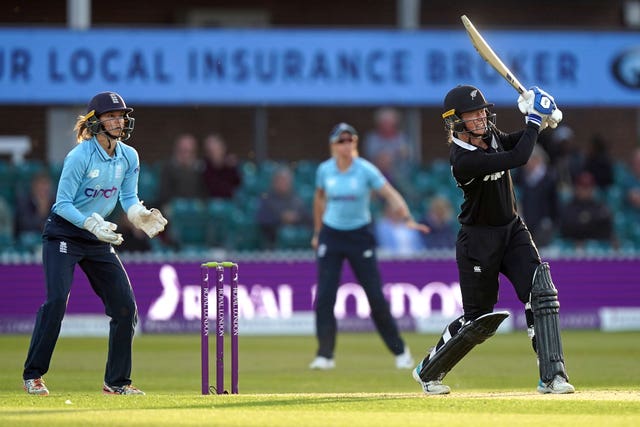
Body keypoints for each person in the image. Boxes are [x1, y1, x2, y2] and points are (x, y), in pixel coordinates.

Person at [412, 85, 575, 395]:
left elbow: (515, 142)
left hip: (512, 229)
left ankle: (553, 376)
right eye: (473, 114)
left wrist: (538, 122)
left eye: (482, 111)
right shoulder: (463, 159)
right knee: (477, 321)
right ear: (456, 121)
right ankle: (428, 371)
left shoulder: (491, 135)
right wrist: (534, 120)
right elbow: (519, 156)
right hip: (477, 242)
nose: (481, 117)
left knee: (541, 292)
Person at [22, 91, 168, 396]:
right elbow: (61, 204)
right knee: (57, 301)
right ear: (95, 122)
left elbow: (127, 197)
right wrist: (90, 223)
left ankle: (116, 382)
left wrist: (139, 215)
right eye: (111, 116)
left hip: (98, 237)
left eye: (121, 116)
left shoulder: (129, 156)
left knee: (125, 307)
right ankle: (33, 375)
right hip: (64, 234)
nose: (119, 121)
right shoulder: (80, 156)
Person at [309, 122, 429, 371]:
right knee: (324, 298)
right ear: (333, 145)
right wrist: (318, 232)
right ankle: (325, 355)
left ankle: (400, 350)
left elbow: (389, 193)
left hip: (359, 235)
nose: (346, 145)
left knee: (375, 296)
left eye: (350, 140)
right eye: (341, 141)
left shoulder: (365, 170)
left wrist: (406, 217)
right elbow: (319, 199)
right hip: (332, 234)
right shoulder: (325, 170)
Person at [512, 145, 559, 247]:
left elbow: (555, 204)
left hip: (544, 224)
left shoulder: (549, 178)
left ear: (537, 159)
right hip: (526, 222)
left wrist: (550, 221)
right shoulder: (521, 176)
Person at [256, 165, 312, 248]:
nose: (284, 183)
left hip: (298, 241)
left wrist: (296, 217)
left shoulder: (296, 198)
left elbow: (308, 218)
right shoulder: (267, 198)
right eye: (281, 180)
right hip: (274, 243)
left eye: (286, 180)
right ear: (274, 182)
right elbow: (262, 219)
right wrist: (281, 218)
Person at [559, 171, 614, 248]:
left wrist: (584, 221)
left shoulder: (599, 206)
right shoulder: (568, 207)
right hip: (571, 250)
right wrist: (591, 221)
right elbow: (566, 228)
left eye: (588, 187)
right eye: (582, 186)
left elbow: (605, 228)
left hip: (597, 250)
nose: (585, 190)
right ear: (576, 187)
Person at [363, 107, 413, 185]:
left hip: (398, 174)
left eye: (389, 122)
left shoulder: (401, 138)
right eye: (384, 122)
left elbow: (406, 155)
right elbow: (373, 156)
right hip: (377, 173)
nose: (387, 125)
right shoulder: (372, 138)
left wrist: (393, 157)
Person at [157, 133, 205, 209]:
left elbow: (203, 193)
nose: (186, 155)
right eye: (183, 151)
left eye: (189, 152)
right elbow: (164, 194)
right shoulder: (168, 168)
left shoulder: (200, 169)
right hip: (174, 206)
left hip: (195, 207)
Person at [201, 133, 242, 199]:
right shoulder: (204, 169)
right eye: (209, 151)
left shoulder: (233, 167)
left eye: (216, 150)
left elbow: (237, 189)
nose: (213, 154)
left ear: (223, 149)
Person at [14, 170, 55, 235]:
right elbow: (26, 226)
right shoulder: (24, 202)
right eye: (41, 184)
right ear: (33, 186)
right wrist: (41, 211)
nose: (44, 188)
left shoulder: (55, 203)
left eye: (46, 184)